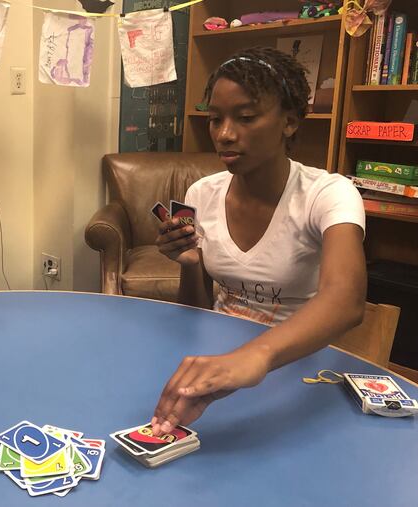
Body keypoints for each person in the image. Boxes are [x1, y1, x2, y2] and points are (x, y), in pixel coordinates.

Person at [151, 47, 366, 436]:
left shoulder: (330, 193)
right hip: (222, 360)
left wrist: (257, 355)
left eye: (246, 117)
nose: (225, 134)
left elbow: (347, 301)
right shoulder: (201, 193)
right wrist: (191, 264)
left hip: (300, 366)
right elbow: (199, 314)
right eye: (216, 119)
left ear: (289, 121)